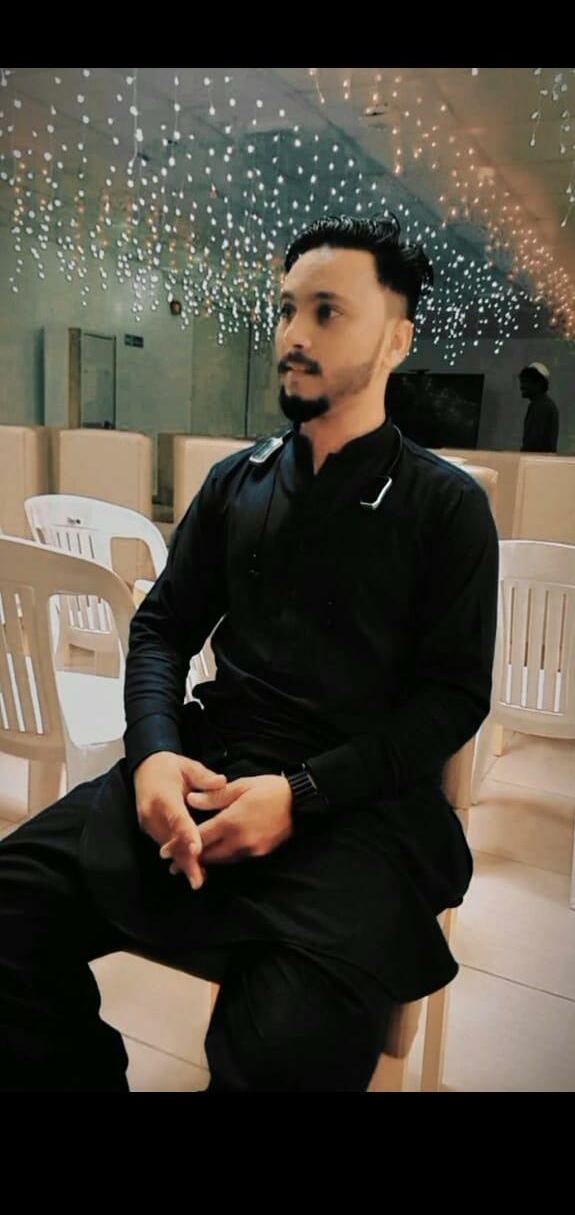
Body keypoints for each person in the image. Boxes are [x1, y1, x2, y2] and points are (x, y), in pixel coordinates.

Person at [0, 214, 499, 1093]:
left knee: (278, 1052)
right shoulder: (239, 480)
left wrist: (301, 795)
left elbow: (450, 700)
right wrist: (154, 753)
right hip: (209, 764)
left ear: (396, 340)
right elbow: (161, 628)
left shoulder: (445, 506)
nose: (294, 334)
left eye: (327, 311)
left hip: (357, 810)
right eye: (286, 309)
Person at [519, 362, 559, 452]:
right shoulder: (543, 405)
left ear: (539, 384)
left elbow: (532, 443)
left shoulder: (541, 407)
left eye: (526, 382)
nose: (521, 386)